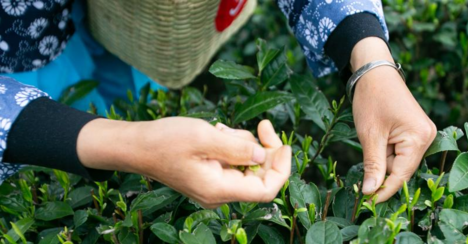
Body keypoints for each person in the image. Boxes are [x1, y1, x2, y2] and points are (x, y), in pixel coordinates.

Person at [0, 0, 435, 208]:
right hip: (17, 61)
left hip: (121, 22)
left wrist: (366, 55)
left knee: (128, 92)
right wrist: (125, 144)